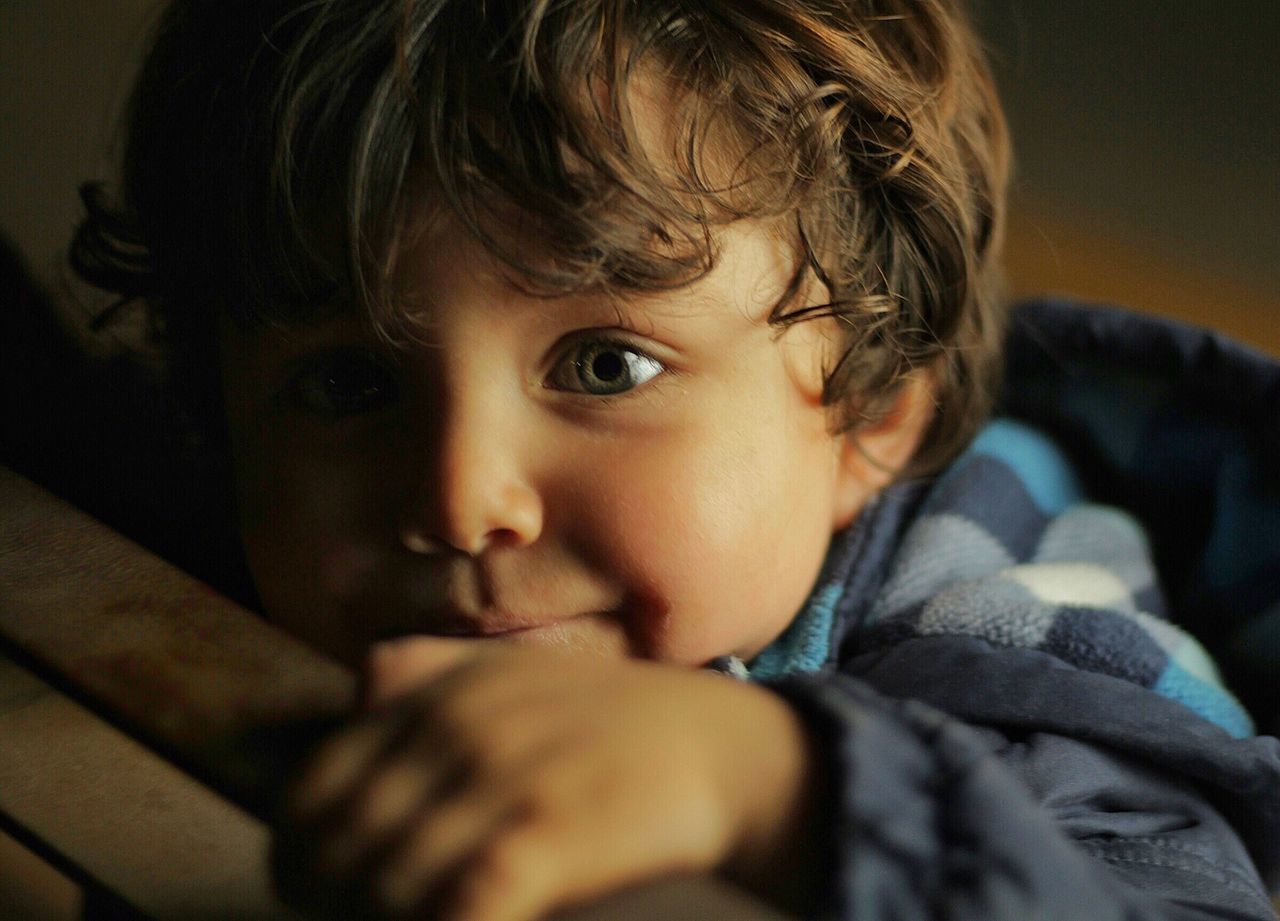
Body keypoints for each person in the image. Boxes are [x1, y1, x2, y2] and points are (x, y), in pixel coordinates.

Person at [70, 0, 1280, 919]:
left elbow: (1177, 894)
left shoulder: (1019, 626)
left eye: (606, 366)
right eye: (347, 382)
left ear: (867, 416)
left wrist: (773, 794)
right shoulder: (201, 490)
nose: (458, 499)